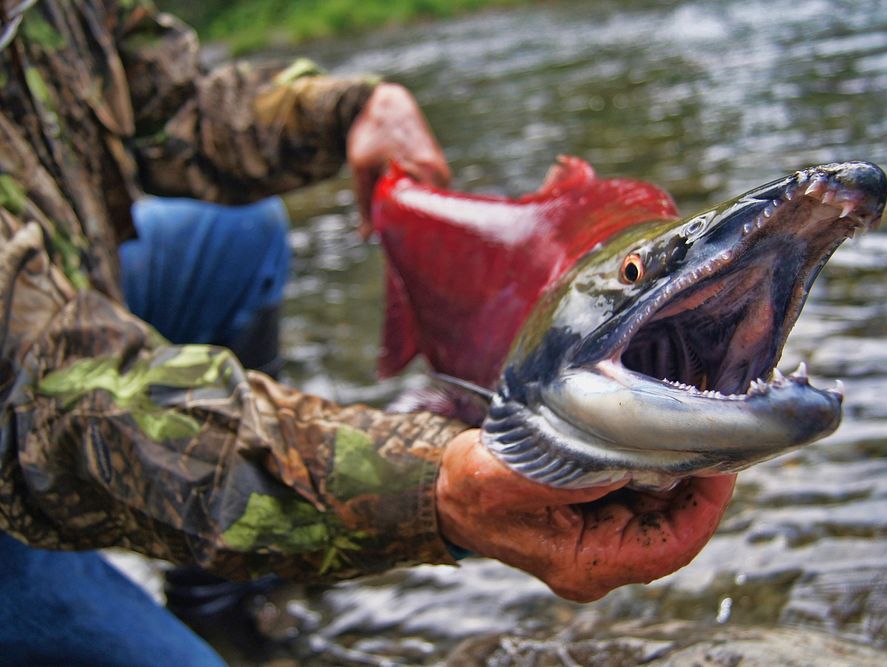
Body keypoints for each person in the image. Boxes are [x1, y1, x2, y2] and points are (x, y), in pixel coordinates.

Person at [0, 1, 737, 664]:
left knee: (238, 239)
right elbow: (45, 395)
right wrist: (429, 489)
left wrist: (348, 111)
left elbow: (172, 102)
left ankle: (220, 595)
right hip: (23, 398)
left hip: (58, 295)